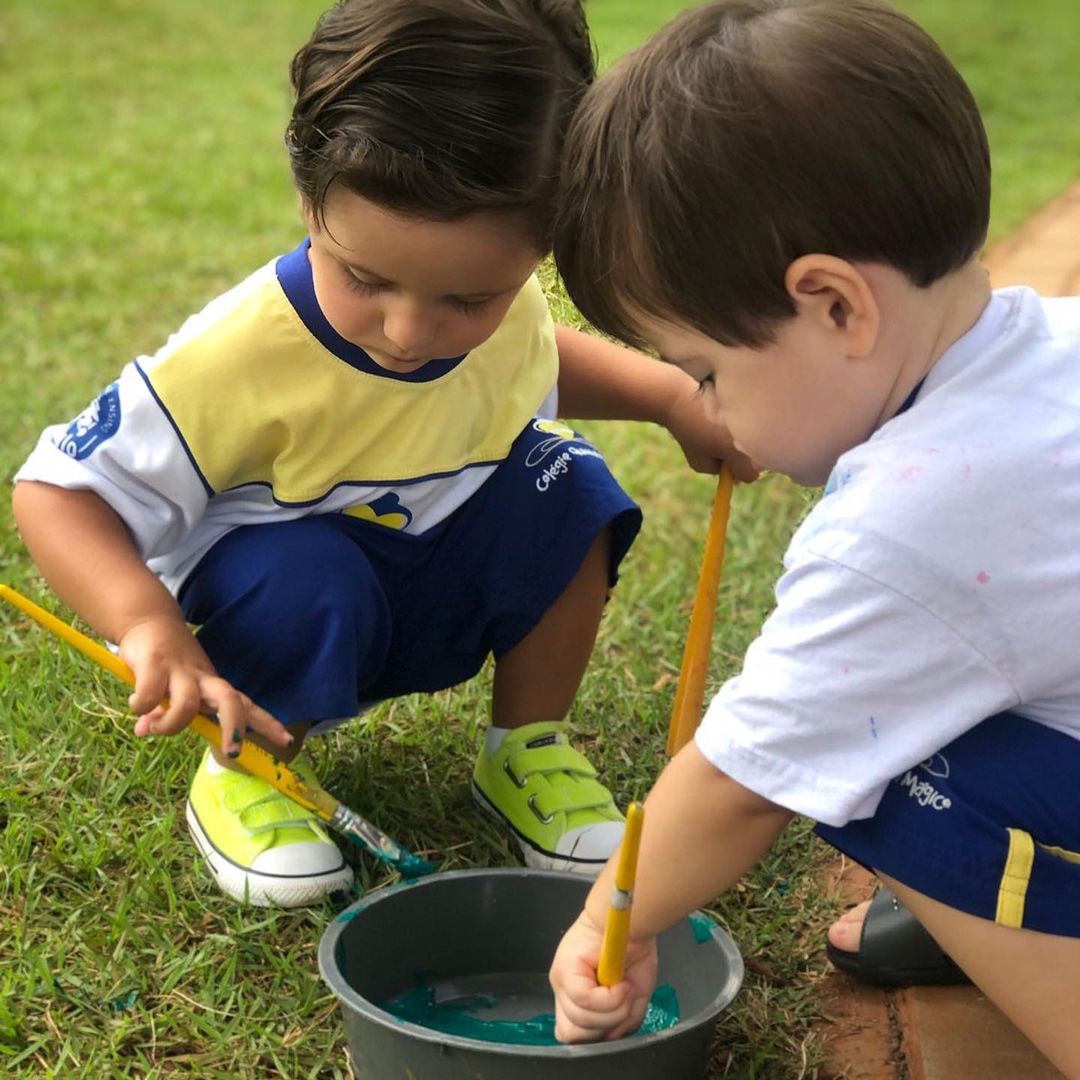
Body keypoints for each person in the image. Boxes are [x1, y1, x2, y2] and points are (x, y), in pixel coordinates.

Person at [11, 0, 732, 909]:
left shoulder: (507, 307)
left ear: (541, 244)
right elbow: (58, 492)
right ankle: (250, 772)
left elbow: (540, 356)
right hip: (294, 600)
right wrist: (149, 624)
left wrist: (671, 398)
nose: (410, 331)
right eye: (364, 278)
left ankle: (528, 748)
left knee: (566, 483)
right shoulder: (234, 356)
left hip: (434, 572)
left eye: (469, 301)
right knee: (307, 572)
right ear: (309, 198)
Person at [545, 1, 1080, 1074]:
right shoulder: (1050, 339)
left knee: (893, 754)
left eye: (706, 373)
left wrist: (616, 917)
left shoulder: (906, 530)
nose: (712, 411)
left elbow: (744, 778)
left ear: (834, 305)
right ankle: (988, 913)